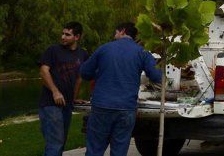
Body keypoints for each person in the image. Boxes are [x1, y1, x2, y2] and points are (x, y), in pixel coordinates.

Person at [80, 22, 162, 156]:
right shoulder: (142, 52)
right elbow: (156, 76)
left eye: (115, 32)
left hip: (102, 106)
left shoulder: (104, 49)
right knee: (119, 151)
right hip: (126, 108)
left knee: (94, 150)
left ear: (123, 31)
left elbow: (84, 72)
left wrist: (101, 74)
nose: (114, 35)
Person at [38, 21, 89, 156]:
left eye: (67, 34)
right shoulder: (53, 50)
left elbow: (79, 78)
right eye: (63, 33)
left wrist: (74, 98)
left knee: (60, 143)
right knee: (55, 143)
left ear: (77, 37)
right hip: (50, 104)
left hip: (67, 105)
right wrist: (55, 92)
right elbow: (44, 71)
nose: (63, 37)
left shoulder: (82, 54)